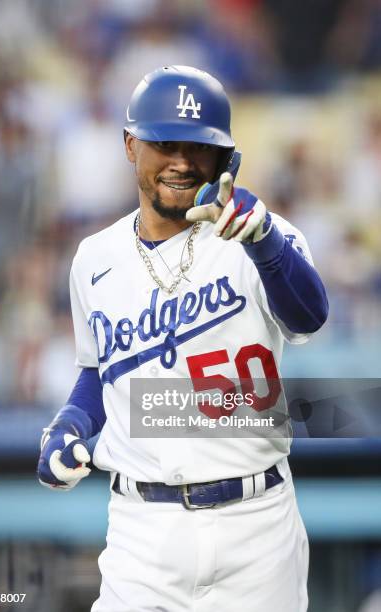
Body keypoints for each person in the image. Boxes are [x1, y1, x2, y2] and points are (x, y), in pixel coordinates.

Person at [37, 65, 328, 612]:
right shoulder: (94, 258)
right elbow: (99, 373)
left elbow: (309, 316)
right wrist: (71, 424)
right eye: (164, 142)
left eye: (200, 147)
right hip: (143, 530)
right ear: (130, 145)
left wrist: (264, 242)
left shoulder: (266, 236)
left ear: (226, 158)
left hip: (256, 523)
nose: (181, 161)